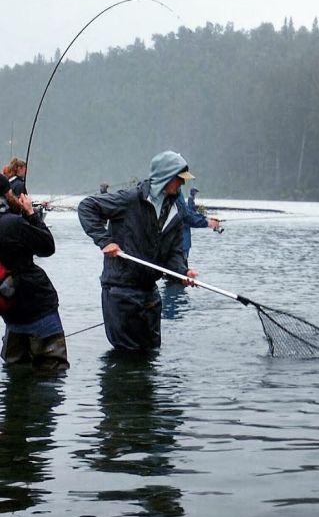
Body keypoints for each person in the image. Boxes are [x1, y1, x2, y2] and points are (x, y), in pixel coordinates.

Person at [77, 150, 199, 351]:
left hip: (150, 295)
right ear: (166, 177)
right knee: (129, 359)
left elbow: (173, 254)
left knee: (150, 354)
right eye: (179, 179)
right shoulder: (129, 200)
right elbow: (87, 207)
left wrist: (183, 272)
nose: (183, 184)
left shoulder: (176, 214)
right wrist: (104, 240)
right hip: (120, 292)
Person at [0, 174, 69, 370]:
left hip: (8, 307)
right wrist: (31, 213)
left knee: (15, 370)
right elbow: (47, 247)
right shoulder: (13, 224)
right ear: (7, 194)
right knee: (52, 371)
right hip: (37, 305)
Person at [178, 187, 220, 265]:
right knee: (180, 270)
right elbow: (187, 214)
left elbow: (189, 213)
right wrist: (207, 222)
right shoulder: (184, 198)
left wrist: (206, 218)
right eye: (195, 192)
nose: (196, 193)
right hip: (181, 245)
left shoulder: (179, 195)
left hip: (183, 243)